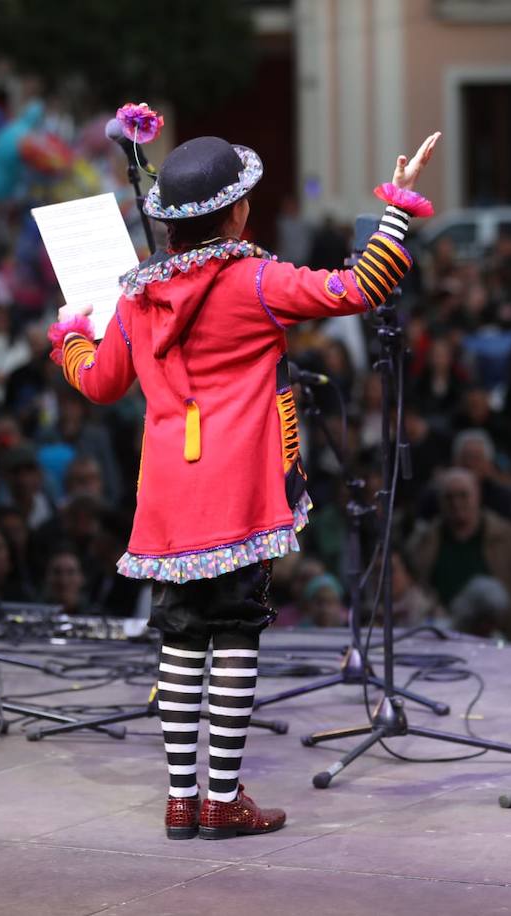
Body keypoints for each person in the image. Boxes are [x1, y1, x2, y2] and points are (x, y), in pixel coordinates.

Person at [48, 128, 441, 840]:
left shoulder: (138, 296)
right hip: (237, 492)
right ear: (234, 215)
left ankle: (179, 799)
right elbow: (363, 285)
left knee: (177, 640)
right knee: (233, 636)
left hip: (169, 496)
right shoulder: (254, 281)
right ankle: (222, 798)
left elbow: (99, 383)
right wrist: (398, 203)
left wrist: (70, 335)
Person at [407, 468, 511, 641]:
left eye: (463, 495)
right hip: (441, 635)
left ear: (478, 496)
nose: (456, 503)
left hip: (503, 636)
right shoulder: (423, 542)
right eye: (449, 497)